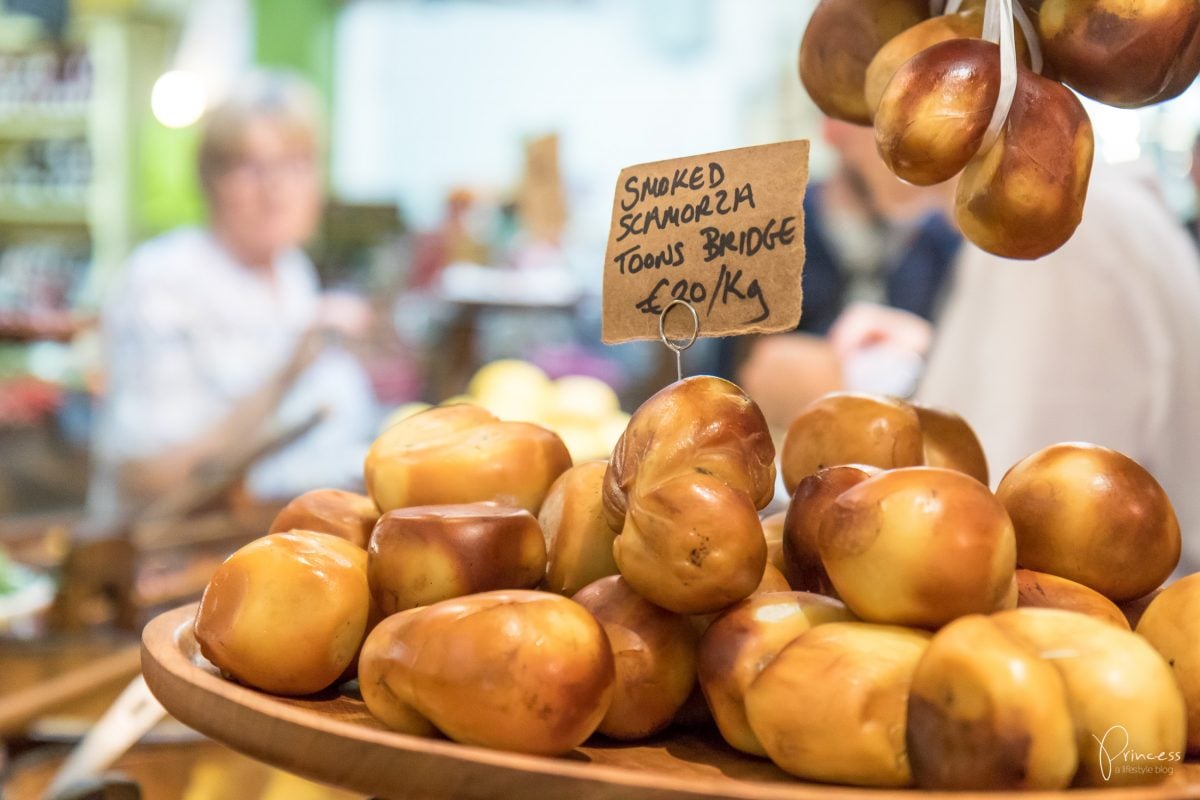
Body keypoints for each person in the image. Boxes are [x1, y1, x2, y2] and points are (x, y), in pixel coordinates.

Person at [89, 72, 376, 521]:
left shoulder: (290, 271)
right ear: (211, 179)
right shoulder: (162, 280)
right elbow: (146, 475)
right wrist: (288, 373)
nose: (277, 189)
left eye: (296, 164)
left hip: (255, 537)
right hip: (159, 550)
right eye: (251, 167)